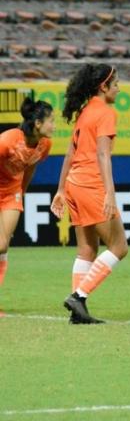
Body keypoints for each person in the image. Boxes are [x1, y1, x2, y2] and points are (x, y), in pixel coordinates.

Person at [51, 63, 128, 324]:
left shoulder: (84, 112)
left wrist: (61, 188)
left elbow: (70, 153)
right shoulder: (106, 112)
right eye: (115, 83)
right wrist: (109, 192)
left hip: (74, 183)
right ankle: (78, 296)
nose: (118, 88)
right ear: (103, 86)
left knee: (86, 249)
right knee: (119, 246)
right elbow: (102, 153)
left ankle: (78, 311)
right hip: (91, 183)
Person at [0, 97, 54, 308]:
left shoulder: (45, 145)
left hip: (11, 193)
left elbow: (29, 167)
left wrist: (20, 194)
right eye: (51, 120)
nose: (54, 126)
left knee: (3, 245)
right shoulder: (8, 140)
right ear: (37, 123)